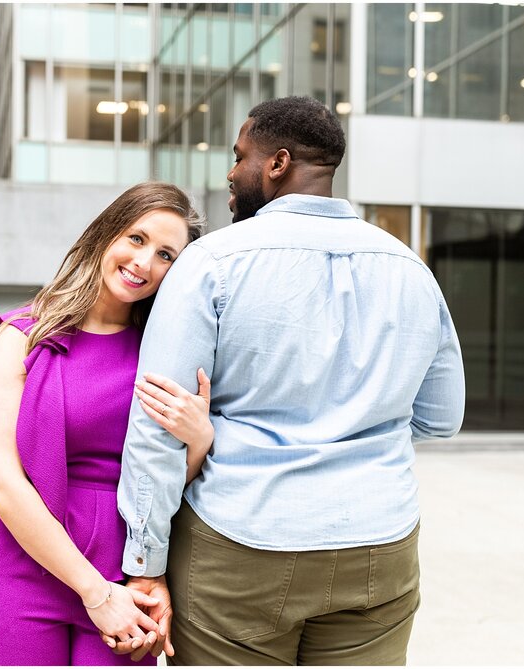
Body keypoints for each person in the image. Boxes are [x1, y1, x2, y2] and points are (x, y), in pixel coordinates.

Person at [113, 96, 466, 665]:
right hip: (379, 545)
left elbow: (159, 424)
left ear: (276, 164)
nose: (231, 172)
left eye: (239, 155)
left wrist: (146, 562)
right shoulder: (410, 269)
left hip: (242, 544)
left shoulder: (210, 263)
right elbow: (441, 418)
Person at [0, 182, 212, 666]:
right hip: (16, 570)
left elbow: (162, 484)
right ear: (105, 234)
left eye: (165, 255)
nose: (143, 263)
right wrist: (95, 595)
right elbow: (3, 484)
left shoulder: (166, 354)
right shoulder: (22, 337)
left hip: (125, 572)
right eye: (136, 239)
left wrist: (199, 440)